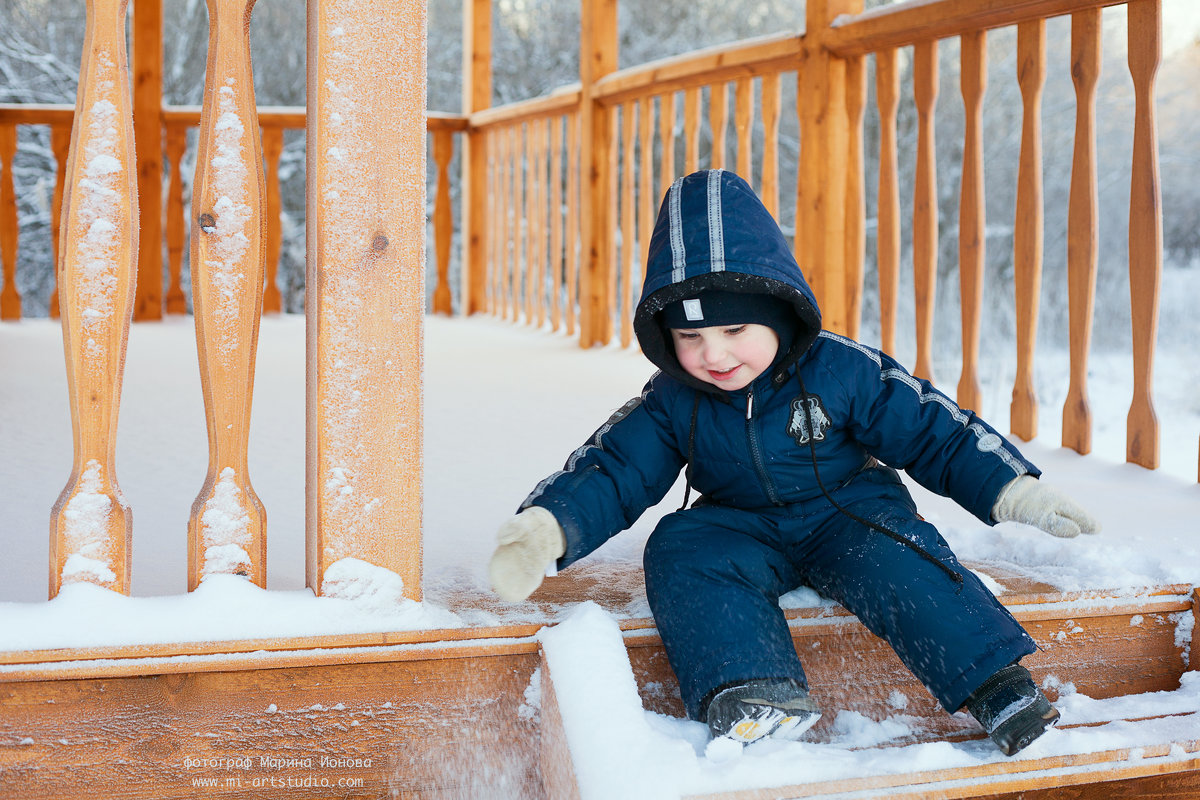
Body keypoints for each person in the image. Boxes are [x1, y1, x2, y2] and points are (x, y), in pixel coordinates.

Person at [488, 169, 1098, 756]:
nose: (715, 355)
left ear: (778, 312)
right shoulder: (673, 400)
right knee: (681, 546)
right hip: (738, 522)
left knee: (899, 556)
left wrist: (1013, 490)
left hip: (849, 510)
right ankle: (754, 693)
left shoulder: (841, 369)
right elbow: (615, 467)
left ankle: (998, 688)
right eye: (690, 339)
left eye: (733, 330)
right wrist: (549, 527)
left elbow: (933, 430)